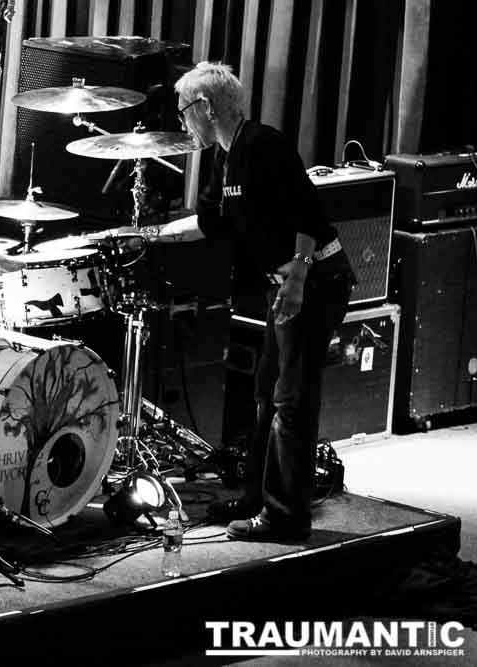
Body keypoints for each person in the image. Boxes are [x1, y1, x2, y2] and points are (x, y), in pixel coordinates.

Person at [138, 62, 356, 541]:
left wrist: (298, 276)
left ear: (206, 107)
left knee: (292, 401)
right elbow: (209, 223)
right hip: (287, 282)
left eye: (183, 111)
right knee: (267, 394)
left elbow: (307, 212)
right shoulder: (225, 156)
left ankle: (286, 518)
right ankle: (257, 499)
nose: (181, 122)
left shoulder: (263, 144)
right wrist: (146, 235)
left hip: (316, 278)